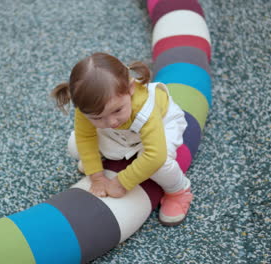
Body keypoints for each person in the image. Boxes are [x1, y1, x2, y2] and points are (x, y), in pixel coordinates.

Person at [50, 52, 193, 226]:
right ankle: (107, 157)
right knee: (75, 145)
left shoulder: (144, 107)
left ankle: (179, 192)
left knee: (159, 165)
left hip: (161, 124)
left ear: (131, 89)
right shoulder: (89, 108)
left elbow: (155, 155)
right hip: (124, 134)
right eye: (97, 117)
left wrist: (122, 182)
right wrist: (96, 176)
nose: (111, 121)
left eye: (117, 110)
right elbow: (85, 137)